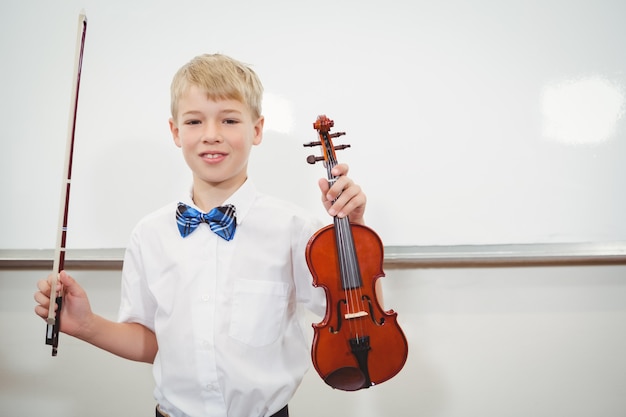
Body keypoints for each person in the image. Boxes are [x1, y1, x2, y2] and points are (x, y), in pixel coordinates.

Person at [34, 53, 367, 417]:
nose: (212, 135)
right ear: (176, 132)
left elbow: (357, 320)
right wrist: (86, 325)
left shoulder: (296, 230)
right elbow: (153, 343)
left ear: (256, 130)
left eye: (229, 119)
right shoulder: (149, 235)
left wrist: (355, 232)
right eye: (194, 121)